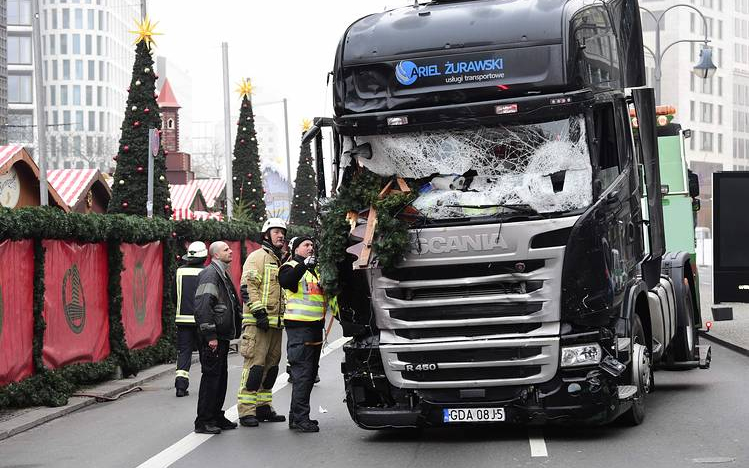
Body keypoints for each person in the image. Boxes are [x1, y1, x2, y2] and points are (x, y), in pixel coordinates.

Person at [279, 236, 337, 433]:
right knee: (303, 374)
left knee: (310, 374)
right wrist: (303, 265)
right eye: (306, 245)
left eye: (313, 245)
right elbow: (287, 282)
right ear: (296, 249)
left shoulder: (314, 271)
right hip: (299, 328)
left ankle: (296, 417)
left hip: (313, 328)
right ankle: (301, 419)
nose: (311, 248)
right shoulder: (290, 266)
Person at [236, 218, 288, 427]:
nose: (281, 235)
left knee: (271, 367)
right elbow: (248, 287)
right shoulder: (257, 257)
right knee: (254, 367)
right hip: (258, 323)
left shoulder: (280, 260)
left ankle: (263, 407)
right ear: (266, 234)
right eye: (276, 231)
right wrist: (259, 314)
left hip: (276, 324)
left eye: (283, 232)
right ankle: (246, 411)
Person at [193, 241, 242, 434]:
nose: (230, 251)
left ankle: (216, 416)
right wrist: (210, 335)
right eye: (226, 250)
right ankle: (204, 421)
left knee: (220, 377)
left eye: (230, 249)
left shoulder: (221, 273)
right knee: (212, 378)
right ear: (215, 255)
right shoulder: (210, 274)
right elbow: (203, 306)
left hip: (221, 336)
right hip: (213, 337)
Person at [174, 241, 208, 398]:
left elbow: (174, 296)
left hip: (182, 319)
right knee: (204, 352)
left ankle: (181, 386)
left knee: (184, 351)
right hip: (202, 320)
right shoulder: (207, 273)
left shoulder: (179, 272)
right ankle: (207, 385)